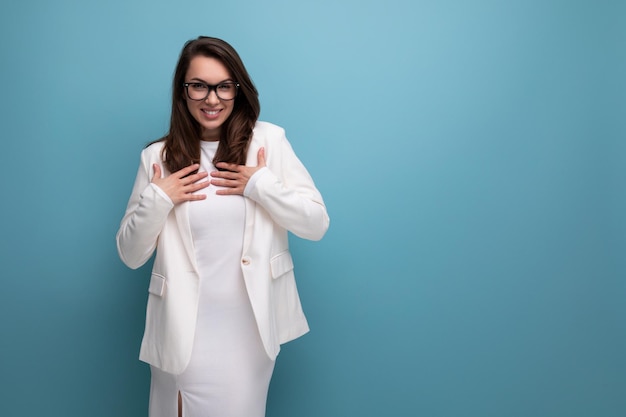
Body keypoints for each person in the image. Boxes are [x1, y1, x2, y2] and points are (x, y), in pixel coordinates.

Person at [116, 36, 329, 417]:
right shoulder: (157, 158)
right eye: (199, 85)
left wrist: (261, 185)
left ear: (238, 89)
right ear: (183, 91)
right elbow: (131, 255)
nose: (211, 99)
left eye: (223, 86)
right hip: (182, 330)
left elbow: (315, 224)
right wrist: (159, 197)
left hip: (249, 332)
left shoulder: (269, 141)